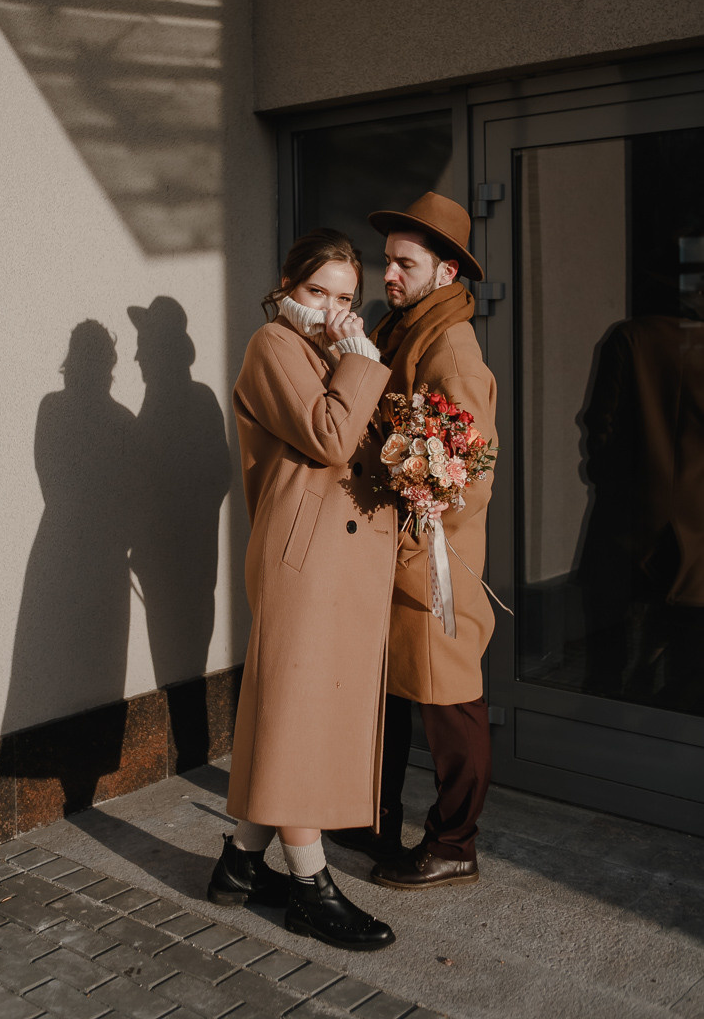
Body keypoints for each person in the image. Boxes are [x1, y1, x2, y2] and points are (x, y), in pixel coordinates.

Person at [208, 229, 398, 950]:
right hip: (302, 559)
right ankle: (311, 888)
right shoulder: (274, 347)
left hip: (332, 559)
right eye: (316, 291)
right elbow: (326, 437)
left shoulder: (324, 353)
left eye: (345, 298)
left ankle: (238, 864)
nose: (329, 309)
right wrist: (359, 360)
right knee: (297, 714)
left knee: (296, 713)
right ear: (287, 285)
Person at [329, 192, 498, 891]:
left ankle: (454, 842)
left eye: (404, 263)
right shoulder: (402, 328)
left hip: (430, 560)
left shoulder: (450, 349)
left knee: (449, 702)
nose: (388, 274)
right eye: (387, 260)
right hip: (390, 549)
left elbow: (467, 470)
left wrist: (411, 524)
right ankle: (374, 817)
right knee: (392, 693)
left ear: (446, 272)